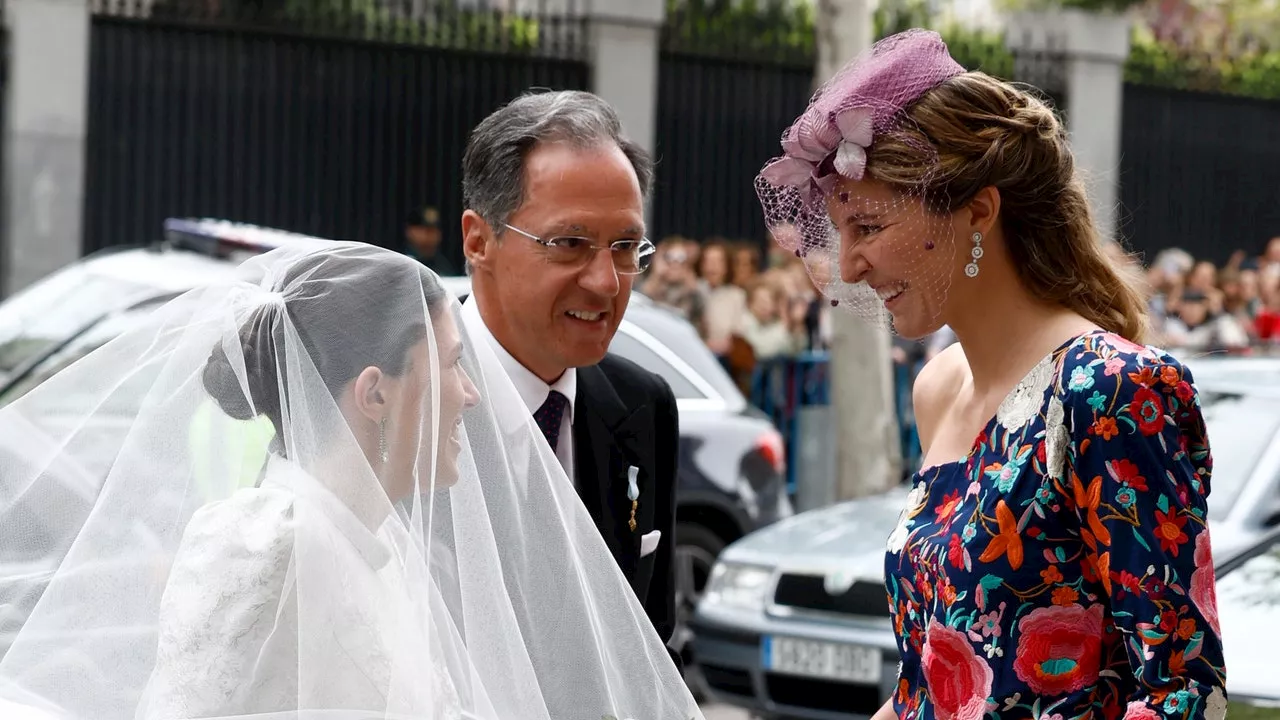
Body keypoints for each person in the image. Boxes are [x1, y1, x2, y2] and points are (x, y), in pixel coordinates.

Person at [0, 242, 700, 720]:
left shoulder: (390, 547)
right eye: (452, 366)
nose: (472, 394)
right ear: (374, 394)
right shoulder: (262, 542)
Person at [756, 29, 1226, 720]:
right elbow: (935, 683)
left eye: (869, 227)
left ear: (979, 209)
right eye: (840, 232)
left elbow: (1185, 692)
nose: (848, 265)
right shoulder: (937, 388)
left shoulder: (1111, 389)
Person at [458, 89, 682, 671]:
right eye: (570, 244)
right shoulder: (393, 398)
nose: (607, 282)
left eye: (626, 247)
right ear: (479, 240)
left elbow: (650, 651)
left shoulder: (642, 405)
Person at [405, 204, 458, 276]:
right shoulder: (402, 262)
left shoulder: (443, 264)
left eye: (435, 230)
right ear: (411, 231)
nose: (432, 236)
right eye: (427, 231)